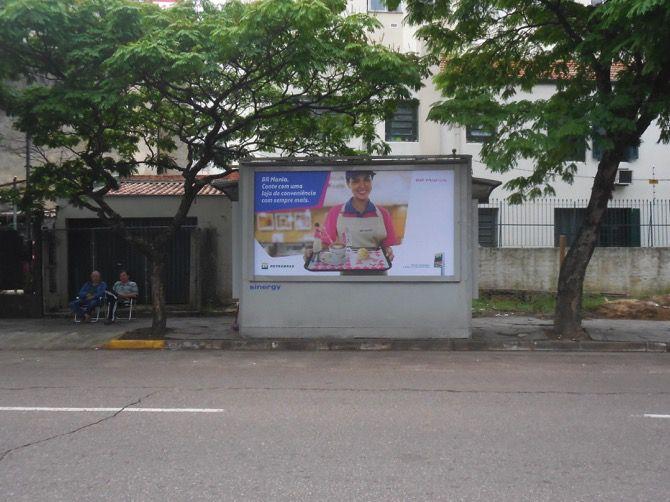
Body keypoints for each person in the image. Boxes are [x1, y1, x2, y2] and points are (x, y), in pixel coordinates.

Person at [322, 170, 397, 260]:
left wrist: (388, 251)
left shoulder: (383, 214)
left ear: (371, 182)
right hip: (348, 268)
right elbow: (325, 244)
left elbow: (387, 245)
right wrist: (312, 252)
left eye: (366, 180)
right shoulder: (335, 212)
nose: (362, 185)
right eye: (356, 181)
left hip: (377, 268)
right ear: (348, 183)